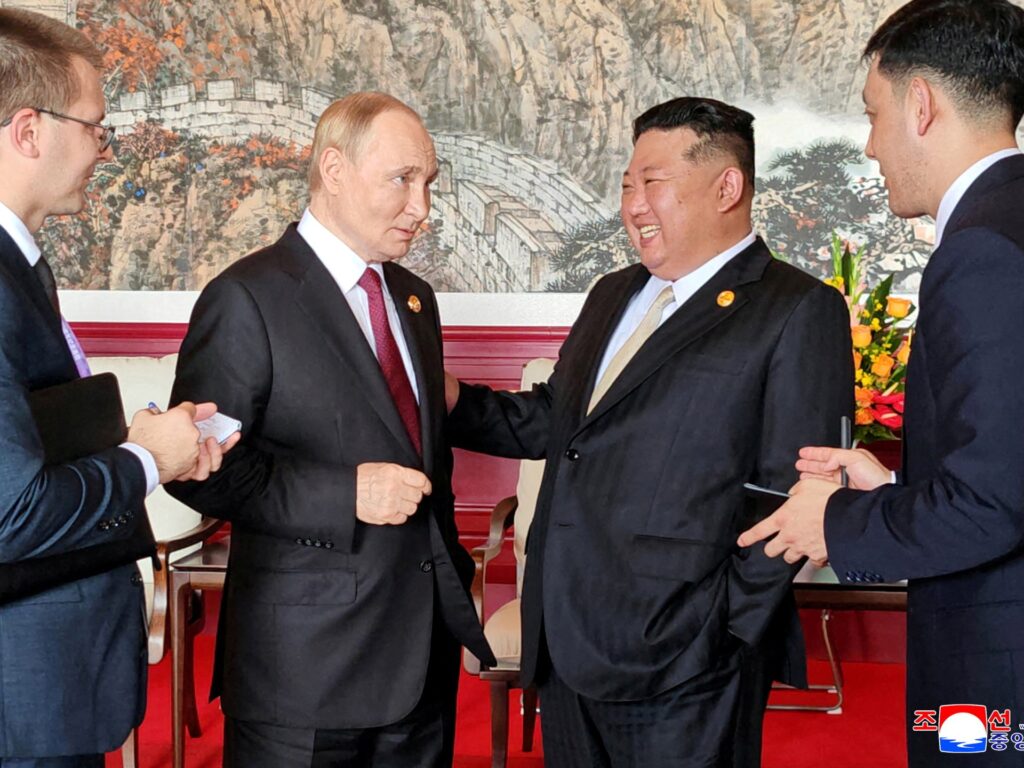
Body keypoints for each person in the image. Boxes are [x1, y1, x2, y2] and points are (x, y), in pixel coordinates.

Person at [445, 97, 853, 767]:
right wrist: (450, 397)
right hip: (565, 638)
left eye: (653, 182)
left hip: (688, 659)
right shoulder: (613, 293)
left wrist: (723, 628)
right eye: (627, 185)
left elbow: (797, 493)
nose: (634, 205)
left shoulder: (796, 308)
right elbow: (557, 422)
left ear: (727, 187)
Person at [166, 91, 495, 768]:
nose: (422, 206)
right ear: (335, 171)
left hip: (420, 662)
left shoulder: (414, 298)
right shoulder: (245, 298)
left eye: (429, 182)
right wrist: (346, 494)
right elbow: (200, 472)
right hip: (303, 673)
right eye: (402, 179)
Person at [738, 0, 1024, 764]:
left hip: (1000, 671)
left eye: (872, 115)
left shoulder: (984, 253)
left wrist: (833, 522)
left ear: (920, 104)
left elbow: (991, 506)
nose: (869, 146)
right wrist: (893, 488)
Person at [0, 9, 234, 766]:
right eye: (94, 126)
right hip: (22, 694)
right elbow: (12, 512)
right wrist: (146, 460)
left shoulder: (19, 265)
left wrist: (146, 442)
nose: (105, 148)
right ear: (28, 131)